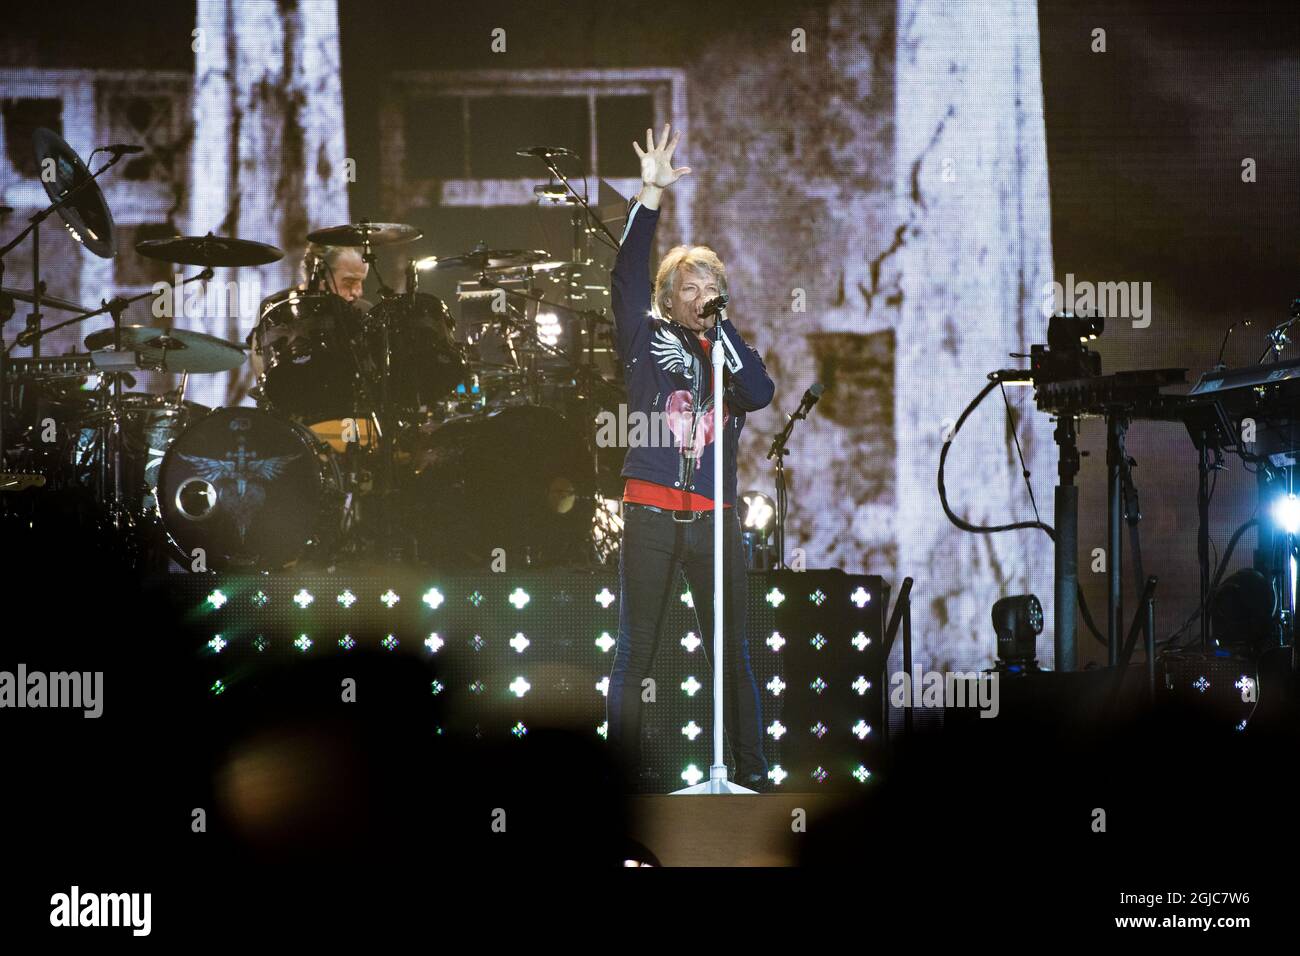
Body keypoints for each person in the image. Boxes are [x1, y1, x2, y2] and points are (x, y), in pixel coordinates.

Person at [606, 124, 776, 792]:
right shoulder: (645, 339)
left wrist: (723, 325)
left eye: (712, 286)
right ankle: (619, 781)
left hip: (714, 517)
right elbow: (623, 275)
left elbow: (760, 395)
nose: (701, 294)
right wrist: (649, 195)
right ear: (668, 296)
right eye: (690, 286)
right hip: (651, 508)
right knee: (636, 651)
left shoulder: (730, 353)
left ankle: (753, 775)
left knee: (730, 651)